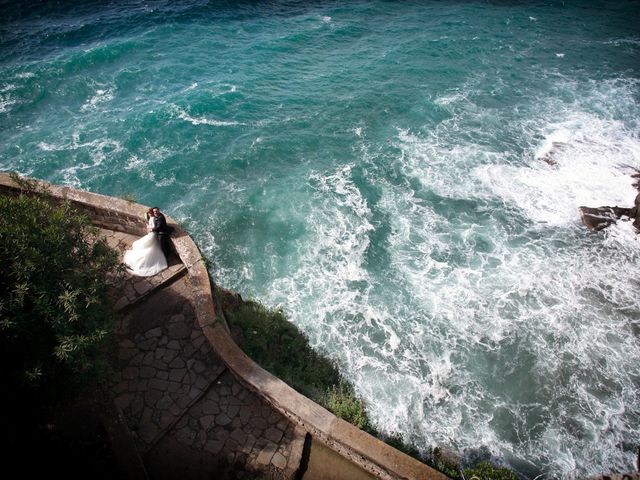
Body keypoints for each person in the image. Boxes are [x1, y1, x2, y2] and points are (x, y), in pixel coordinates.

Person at [123, 208, 168, 276]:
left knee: (143, 245)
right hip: (152, 233)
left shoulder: (153, 218)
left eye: (150, 213)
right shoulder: (152, 218)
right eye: (149, 213)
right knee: (140, 244)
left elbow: (155, 227)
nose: (149, 214)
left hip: (153, 234)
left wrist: (150, 228)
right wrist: (149, 227)